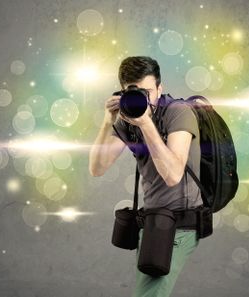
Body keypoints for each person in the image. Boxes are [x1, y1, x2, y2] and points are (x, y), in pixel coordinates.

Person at [89, 56, 203, 297]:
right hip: (153, 223)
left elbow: (173, 175)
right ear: (122, 92)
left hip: (179, 225)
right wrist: (108, 120)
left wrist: (146, 125)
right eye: (134, 92)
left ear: (159, 89)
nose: (142, 99)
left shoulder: (178, 112)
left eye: (147, 92)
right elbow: (97, 168)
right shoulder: (127, 119)